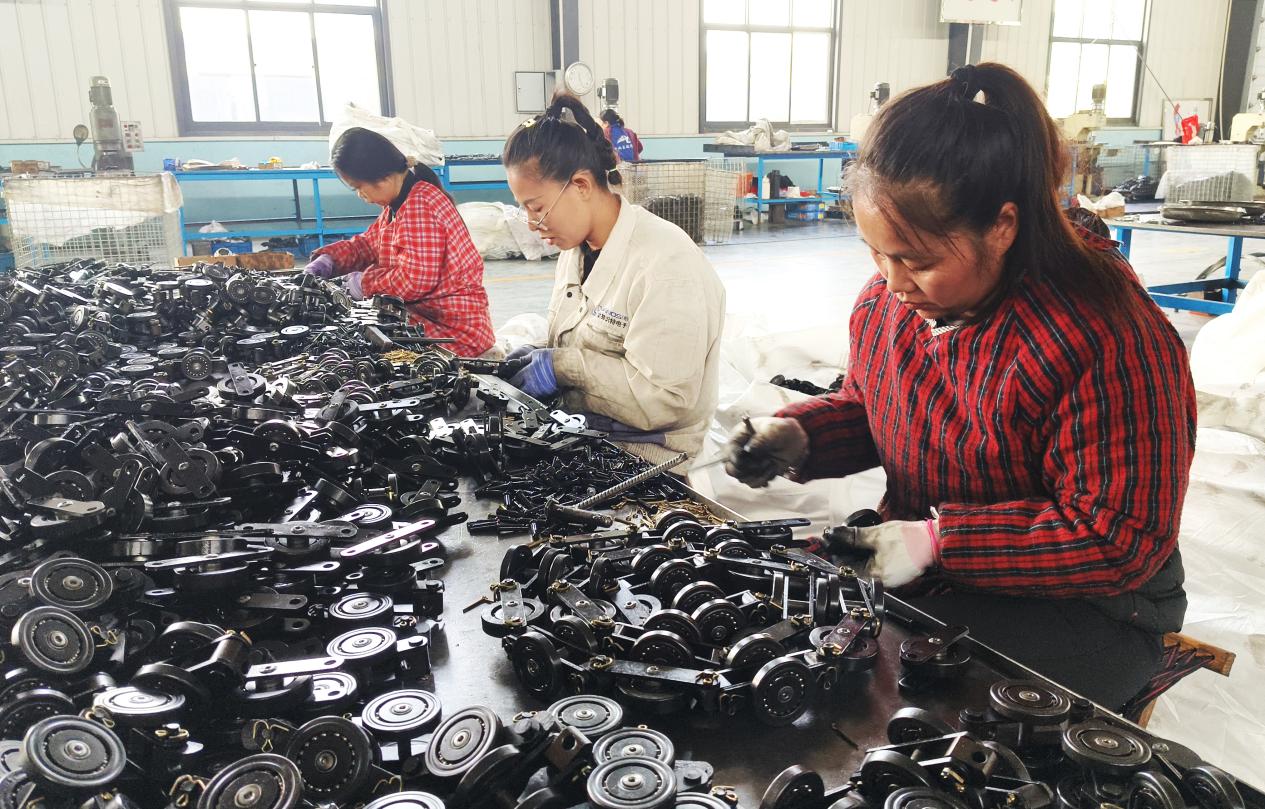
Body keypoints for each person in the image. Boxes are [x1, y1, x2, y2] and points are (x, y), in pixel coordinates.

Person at [722, 63, 1195, 710]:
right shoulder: (888, 306)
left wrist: (938, 541)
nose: (892, 282)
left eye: (917, 260)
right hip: (940, 569)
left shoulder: (1106, 336)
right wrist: (800, 434)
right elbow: (875, 406)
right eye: (875, 253)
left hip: (1096, 606)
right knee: (794, 623)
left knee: (899, 691)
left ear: (1002, 227)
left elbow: (1115, 535)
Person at [502, 94, 724, 465]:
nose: (532, 223)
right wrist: (541, 352)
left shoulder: (666, 264)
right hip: (585, 428)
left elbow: (665, 400)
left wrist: (562, 367)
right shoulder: (576, 250)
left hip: (652, 452)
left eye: (537, 207)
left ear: (581, 186)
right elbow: (586, 336)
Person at [305, 127, 495, 358]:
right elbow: (368, 244)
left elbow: (414, 281)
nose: (360, 195)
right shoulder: (398, 205)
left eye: (359, 187)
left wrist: (363, 284)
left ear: (382, 177)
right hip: (427, 318)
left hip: (454, 333)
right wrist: (330, 259)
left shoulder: (421, 206)